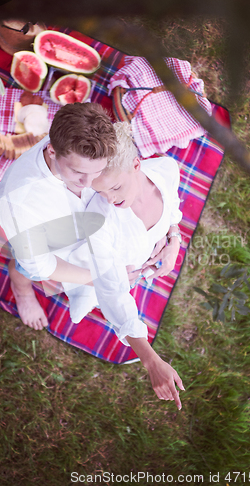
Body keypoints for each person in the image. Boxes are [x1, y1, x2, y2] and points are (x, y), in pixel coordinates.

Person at [65, 121, 185, 407]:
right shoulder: (100, 218)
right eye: (101, 191)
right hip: (97, 265)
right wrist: (151, 360)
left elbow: (173, 207)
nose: (110, 199)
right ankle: (78, 293)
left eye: (116, 187)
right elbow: (114, 292)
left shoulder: (167, 169)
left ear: (136, 164)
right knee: (88, 299)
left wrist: (174, 239)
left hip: (138, 260)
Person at [0, 102, 117, 331]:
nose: (89, 184)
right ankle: (21, 291)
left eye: (97, 171)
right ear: (51, 150)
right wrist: (96, 279)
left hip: (78, 224)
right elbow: (40, 265)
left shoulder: (83, 149)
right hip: (34, 241)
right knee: (23, 267)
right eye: (78, 172)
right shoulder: (21, 203)